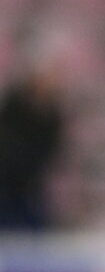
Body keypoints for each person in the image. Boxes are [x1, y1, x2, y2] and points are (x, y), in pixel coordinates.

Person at [0, 64, 64, 230]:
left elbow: (50, 150)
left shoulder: (52, 117)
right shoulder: (14, 107)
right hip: (7, 179)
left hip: (30, 183)